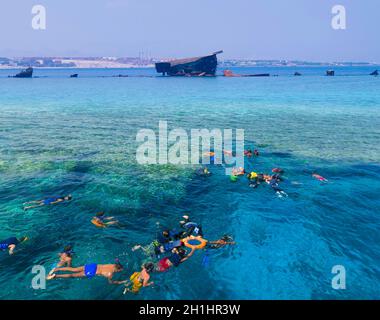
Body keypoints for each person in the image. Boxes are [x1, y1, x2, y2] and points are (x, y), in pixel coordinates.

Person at [47, 260, 125, 284]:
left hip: (92, 266)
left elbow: (117, 261)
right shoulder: (110, 274)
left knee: (73, 269)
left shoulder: (112, 264)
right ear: (117, 269)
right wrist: (121, 282)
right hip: (91, 272)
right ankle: (55, 276)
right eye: (119, 271)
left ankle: (56, 269)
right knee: (73, 275)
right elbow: (111, 282)